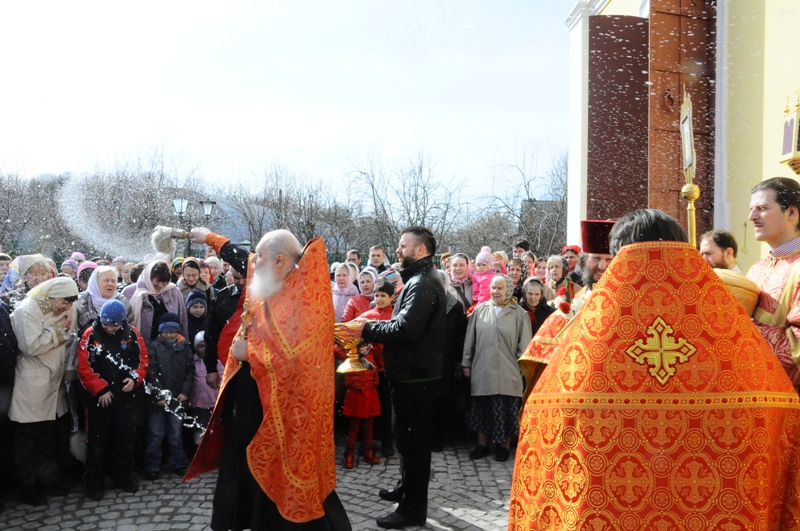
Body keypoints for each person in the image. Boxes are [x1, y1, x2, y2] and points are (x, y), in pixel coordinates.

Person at [508, 209, 800, 528]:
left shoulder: (586, 345)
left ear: (620, 258)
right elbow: (777, 410)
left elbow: (543, 422)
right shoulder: (725, 331)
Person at [186, 227, 351, 530]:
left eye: (260, 256)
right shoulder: (276, 281)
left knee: (280, 490)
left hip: (280, 416)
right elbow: (245, 260)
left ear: (279, 261)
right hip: (250, 410)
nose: (253, 262)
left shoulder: (303, 297)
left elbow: (295, 357)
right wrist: (210, 238)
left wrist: (249, 353)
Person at [344, 226, 445, 529]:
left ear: (420, 250)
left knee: (414, 445)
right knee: (405, 439)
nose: (398, 250)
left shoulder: (423, 283)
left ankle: (412, 510)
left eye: (403, 245)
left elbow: (405, 329)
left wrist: (365, 329)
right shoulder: (416, 279)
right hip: (409, 375)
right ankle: (405, 488)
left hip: (416, 378)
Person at [9, 277, 78, 506]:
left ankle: (50, 480)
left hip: (55, 381)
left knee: (52, 435)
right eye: (63, 302)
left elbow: (70, 339)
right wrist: (57, 329)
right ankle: (29, 486)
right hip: (32, 382)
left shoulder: (68, 309)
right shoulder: (27, 309)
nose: (66, 307)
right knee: (31, 437)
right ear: (50, 296)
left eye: (70, 303)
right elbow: (30, 345)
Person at [76, 299, 148, 499]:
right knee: (97, 443)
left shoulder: (132, 334)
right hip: (99, 400)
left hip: (124, 398)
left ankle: (123, 477)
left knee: (125, 441)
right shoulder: (90, 335)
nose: (110, 328)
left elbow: (141, 360)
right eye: (106, 324)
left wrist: (135, 378)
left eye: (114, 325)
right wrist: (101, 389)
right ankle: (94, 482)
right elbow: (84, 367)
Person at [461, 274, 531, 463]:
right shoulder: (480, 310)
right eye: (493, 288)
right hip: (482, 367)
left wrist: (521, 368)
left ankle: (504, 446)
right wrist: (466, 362)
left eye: (500, 288)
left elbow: (524, 346)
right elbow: (470, 340)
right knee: (482, 408)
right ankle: (482, 445)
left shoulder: (519, 314)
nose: (496, 291)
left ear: (508, 289)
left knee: (506, 409)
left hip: (508, 370)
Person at [747, 177, 800, 386]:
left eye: (762, 208)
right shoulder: (756, 268)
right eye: (751, 209)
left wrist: (742, 338)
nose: (752, 217)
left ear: (792, 213)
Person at [143, 312, 194, 480]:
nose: (169, 335)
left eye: (172, 331)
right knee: (155, 434)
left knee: (175, 434)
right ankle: (152, 466)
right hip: (158, 401)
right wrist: (158, 395)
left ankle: (178, 463)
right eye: (165, 331)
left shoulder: (184, 346)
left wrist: (185, 392)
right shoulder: (154, 347)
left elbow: (190, 371)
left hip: (178, 398)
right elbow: (150, 373)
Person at [430, 270, 467, 452]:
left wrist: (459, 362)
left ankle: (441, 438)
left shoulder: (455, 306)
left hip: (447, 360)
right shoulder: (424, 303)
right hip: (428, 360)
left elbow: (461, 336)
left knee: (444, 400)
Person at [202, 267, 245, 390]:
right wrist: (211, 369)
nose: (241, 282)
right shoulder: (221, 298)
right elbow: (211, 335)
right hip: (228, 362)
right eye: (236, 278)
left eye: (244, 278)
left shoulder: (265, 296)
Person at [129, 261, 189, 342]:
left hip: (169, 345)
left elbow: (183, 320)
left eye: (164, 283)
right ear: (149, 277)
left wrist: (184, 343)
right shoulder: (131, 291)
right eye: (157, 281)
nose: (160, 285)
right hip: (141, 345)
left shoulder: (174, 291)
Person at [188, 331, 222, 448]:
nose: (204, 349)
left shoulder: (218, 362)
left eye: (206, 346)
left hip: (214, 403)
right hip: (198, 405)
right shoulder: (192, 362)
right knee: (198, 431)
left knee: (215, 431)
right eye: (200, 346)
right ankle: (198, 453)